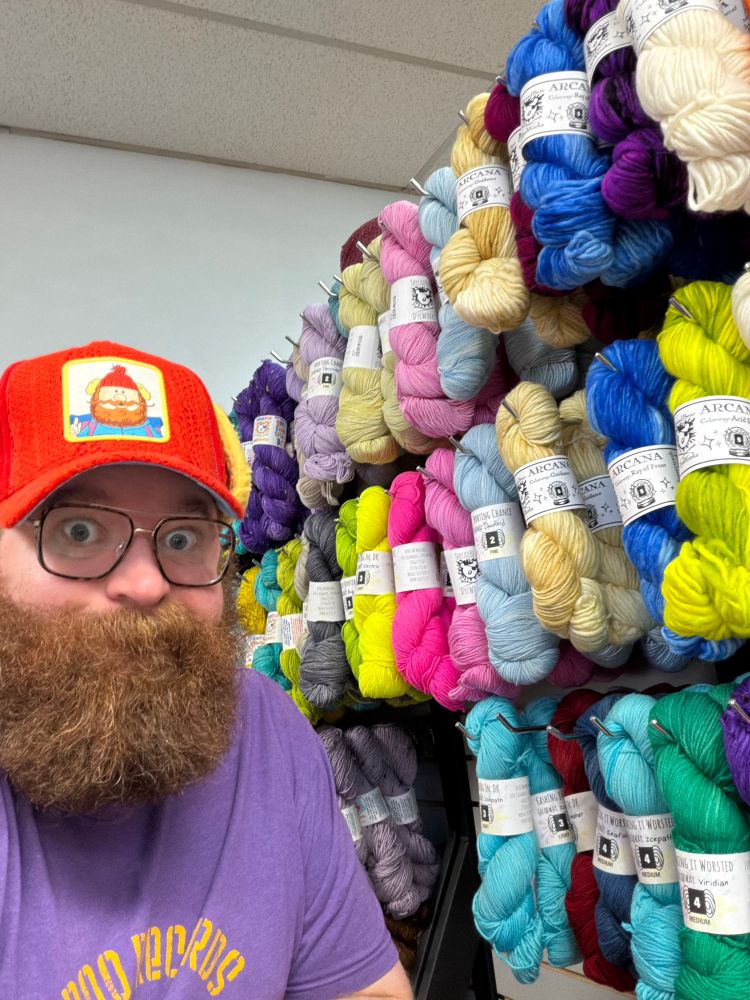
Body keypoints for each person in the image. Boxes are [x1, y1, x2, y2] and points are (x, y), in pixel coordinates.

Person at [0, 341, 412, 1000]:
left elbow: (365, 990)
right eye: (77, 531)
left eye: (185, 538)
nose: (142, 583)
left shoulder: (265, 728)